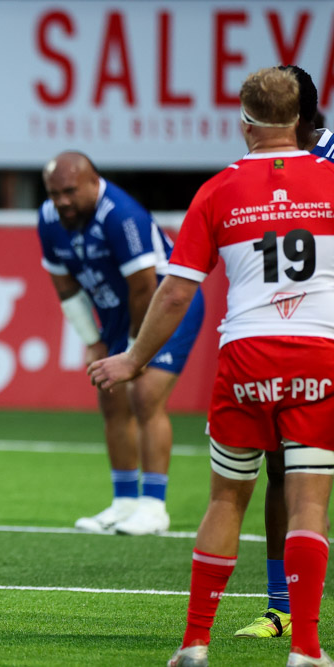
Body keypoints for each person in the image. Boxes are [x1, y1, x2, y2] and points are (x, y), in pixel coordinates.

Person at [89, 66, 334, 667]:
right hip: (319, 353)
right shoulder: (331, 180)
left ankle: (195, 643)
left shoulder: (219, 189)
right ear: (303, 121)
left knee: (226, 500)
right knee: (308, 504)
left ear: (244, 123)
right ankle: (305, 648)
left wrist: (132, 359)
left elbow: (174, 292)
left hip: (247, 355)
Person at [37, 152, 205, 535]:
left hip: (165, 306)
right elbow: (64, 287)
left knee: (144, 394)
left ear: (94, 182)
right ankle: (125, 501)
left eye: (69, 192)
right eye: (54, 193)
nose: (61, 201)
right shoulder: (49, 218)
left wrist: (133, 354)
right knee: (111, 397)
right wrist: (93, 341)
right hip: (119, 311)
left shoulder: (121, 215)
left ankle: (154, 505)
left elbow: (145, 288)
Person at [232, 63, 329, 641]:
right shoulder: (266, 169)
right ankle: (282, 606)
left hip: (321, 333)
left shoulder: (325, 165)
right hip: (287, 339)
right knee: (283, 469)